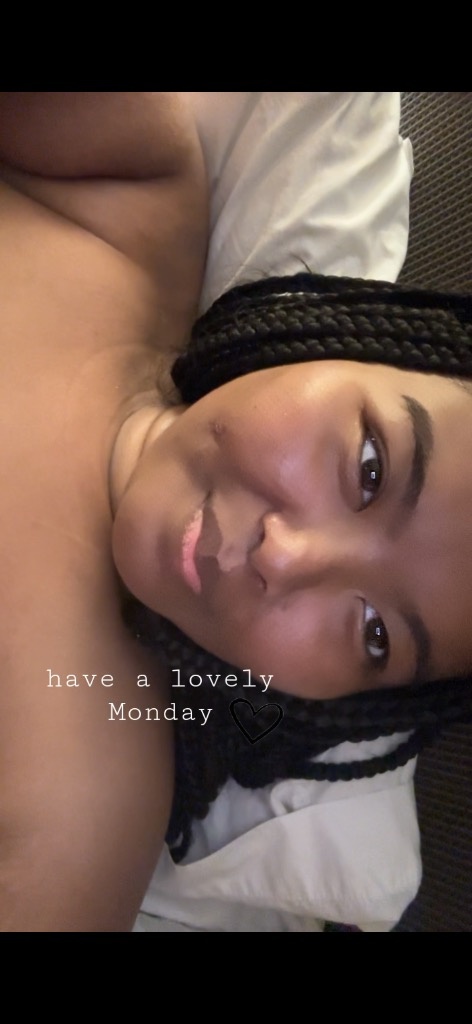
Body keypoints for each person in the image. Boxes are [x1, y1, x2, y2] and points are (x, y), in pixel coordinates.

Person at [0, 92, 471, 930]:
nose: (286, 558)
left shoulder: (85, 814)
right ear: (351, 339)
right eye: (369, 468)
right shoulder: (125, 201)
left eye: (374, 634)